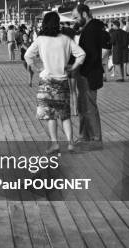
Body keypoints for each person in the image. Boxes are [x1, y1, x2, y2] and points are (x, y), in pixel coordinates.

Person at [25, 12, 85, 154]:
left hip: (46, 81)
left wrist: (36, 68)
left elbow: (28, 55)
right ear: (57, 23)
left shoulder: (40, 40)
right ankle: (70, 143)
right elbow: (81, 54)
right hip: (62, 80)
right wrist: (73, 67)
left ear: (44, 23)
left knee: (50, 115)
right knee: (65, 114)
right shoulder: (65, 39)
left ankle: (55, 143)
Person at [72, 4, 110, 145]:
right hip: (85, 72)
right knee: (82, 106)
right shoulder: (90, 28)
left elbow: (99, 50)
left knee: (89, 106)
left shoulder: (93, 29)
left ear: (84, 14)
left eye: (76, 17)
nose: (75, 20)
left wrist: (88, 67)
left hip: (89, 73)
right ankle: (84, 135)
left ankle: (95, 138)